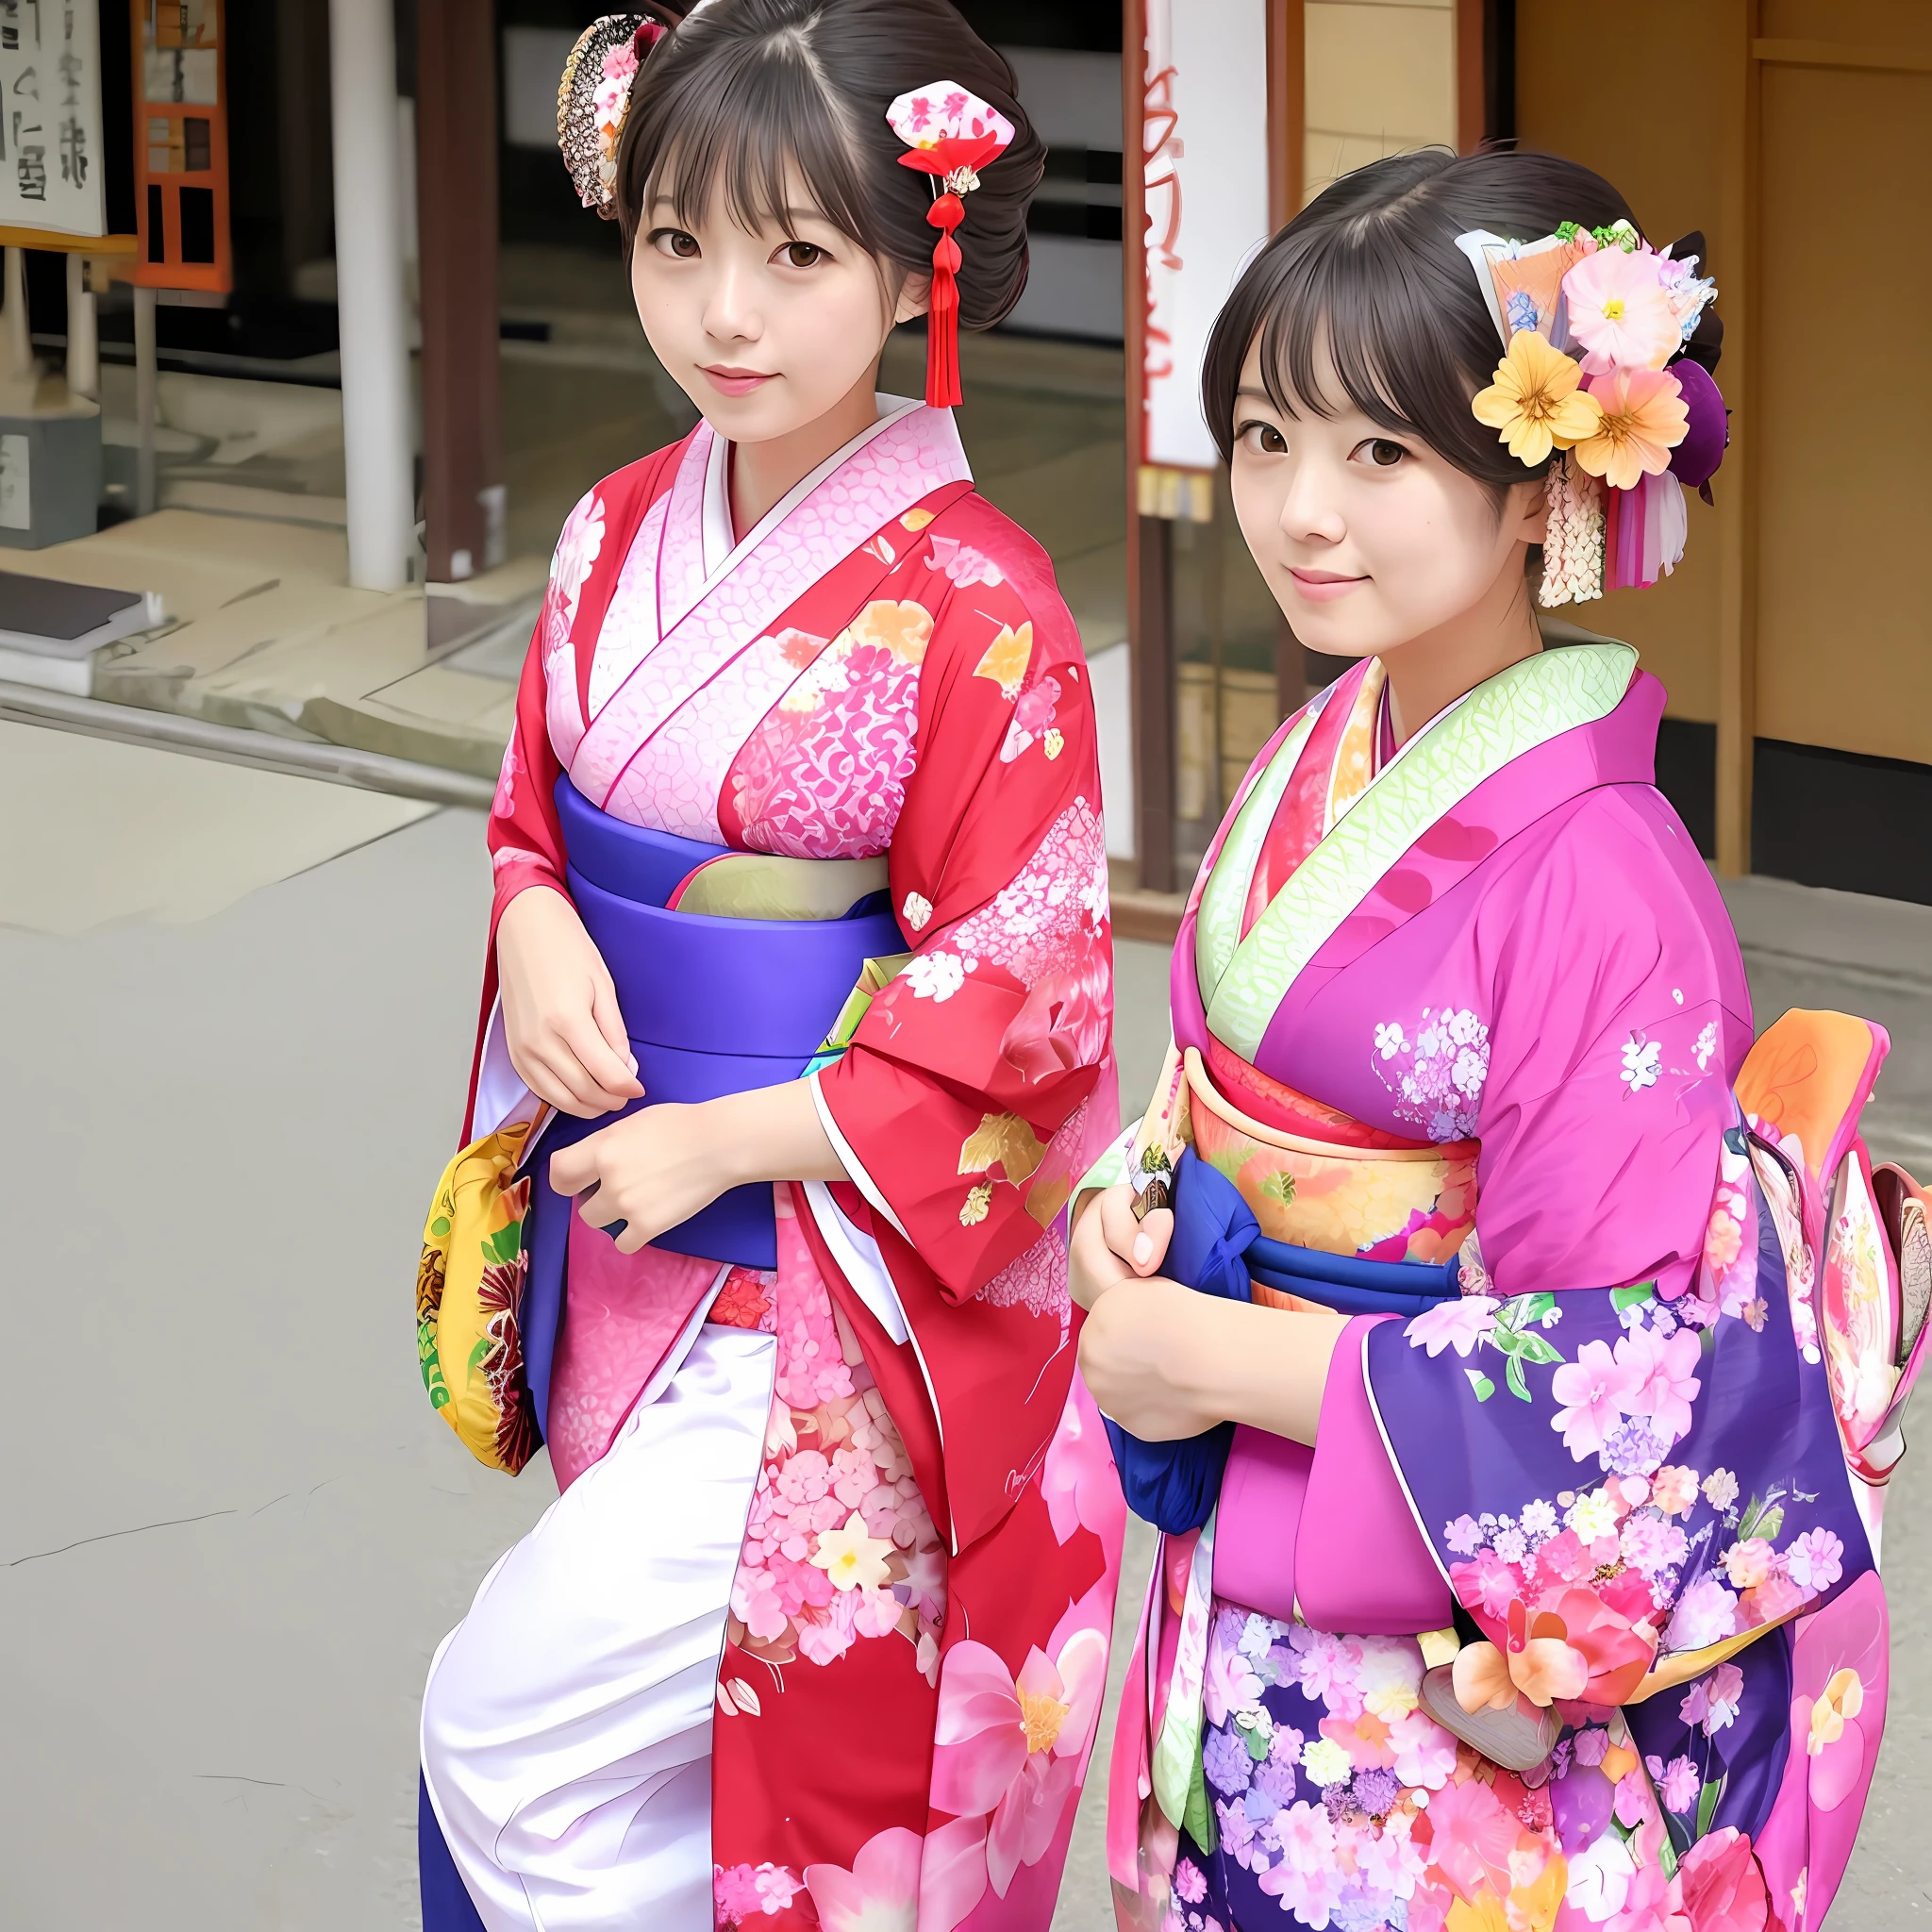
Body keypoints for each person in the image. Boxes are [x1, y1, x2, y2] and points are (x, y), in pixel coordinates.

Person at [1070, 149, 1924, 1932]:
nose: (1305, 510)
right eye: (1266, 437)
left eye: (1379, 454)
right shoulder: (1321, 746)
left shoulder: (1609, 879)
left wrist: (1212, 1364)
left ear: (1535, 477)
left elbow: (1610, 1371)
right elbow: (1213, 1096)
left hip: (1438, 1687)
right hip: (1243, 1592)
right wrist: (1133, 1204)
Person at [415, 7, 1124, 1927]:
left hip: (817, 1297)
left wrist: (730, 1146)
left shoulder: (981, 599)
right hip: (619, 1248)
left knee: (510, 1734)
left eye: (797, 254)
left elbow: (1027, 997)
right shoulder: (611, 527)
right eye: (673, 242)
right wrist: (533, 912)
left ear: (915, 265)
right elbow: (532, 813)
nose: (725, 309)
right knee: (667, 1779)